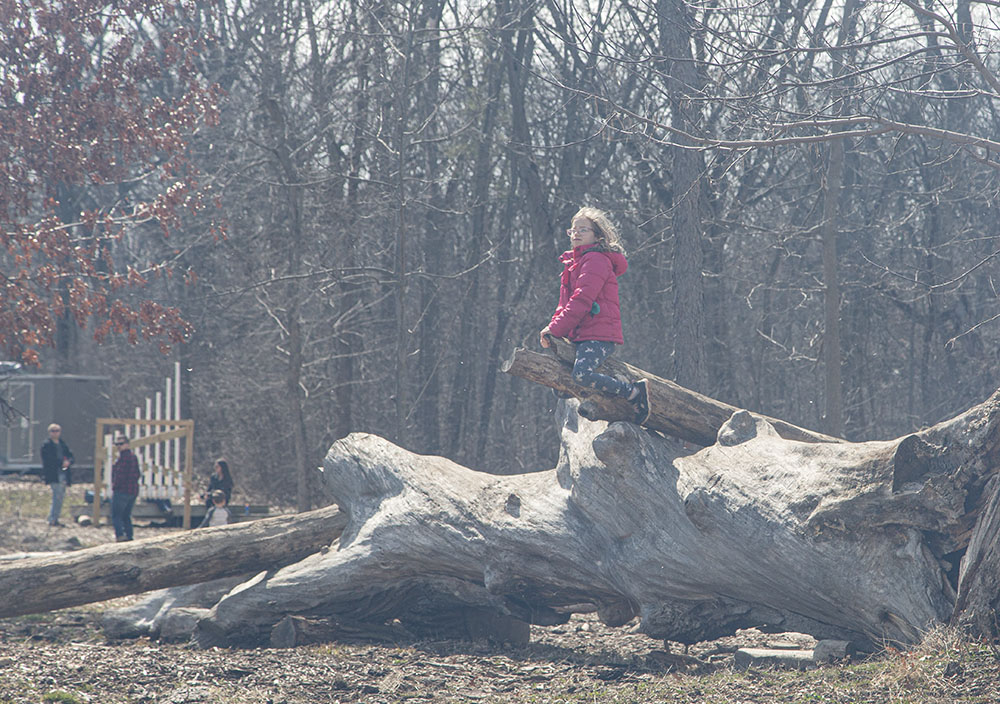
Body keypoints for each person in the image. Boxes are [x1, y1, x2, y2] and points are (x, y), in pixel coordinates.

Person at [539, 207, 649, 423]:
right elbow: (565, 304)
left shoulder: (596, 260)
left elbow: (581, 301)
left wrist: (555, 328)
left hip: (599, 336)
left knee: (581, 375)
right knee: (559, 381)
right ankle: (599, 399)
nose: (576, 233)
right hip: (579, 336)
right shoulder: (573, 264)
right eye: (573, 229)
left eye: (583, 229)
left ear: (597, 236)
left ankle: (634, 392)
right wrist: (552, 329)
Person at [40, 423, 74, 526]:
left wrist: (69, 462)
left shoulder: (63, 444)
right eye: (53, 431)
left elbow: (71, 455)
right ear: (49, 432)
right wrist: (60, 463)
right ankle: (52, 519)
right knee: (57, 496)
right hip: (54, 474)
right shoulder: (46, 445)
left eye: (57, 431)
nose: (55, 433)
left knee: (61, 496)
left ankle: (55, 517)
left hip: (64, 473)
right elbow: (48, 460)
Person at [110, 434, 140, 542]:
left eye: (121, 444)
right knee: (126, 515)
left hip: (122, 491)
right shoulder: (133, 457)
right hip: (132, 491)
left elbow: (120, 475)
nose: (119, 446)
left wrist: (115, 486)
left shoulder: (124, 458)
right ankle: (129, 535)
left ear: (127, 444)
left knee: (116, 515)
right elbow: (137, 474)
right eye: (117, 444)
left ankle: (120, 535)